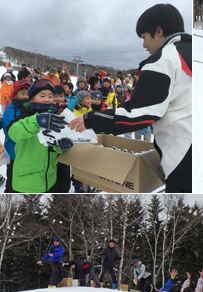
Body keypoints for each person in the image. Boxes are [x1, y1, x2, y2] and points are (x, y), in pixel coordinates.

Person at [69, 4, 192, 192]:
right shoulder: (191, 52)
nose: (144, 45)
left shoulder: (163, 60)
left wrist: (90, 119)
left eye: (144, 37)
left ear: (158, 31)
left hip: (181, 150)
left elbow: (139, 113)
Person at [7, 81, 73, 193]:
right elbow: (13, 132)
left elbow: (52, 145)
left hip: (50, 181)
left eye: (50, 96)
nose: (47, 99)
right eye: (42, 96)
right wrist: (37, 121)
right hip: (26, 183)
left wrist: (61, 147)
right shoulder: (25, 116)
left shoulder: (55, 117)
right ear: (31, 99)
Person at [2, 79, 31, 192]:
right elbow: (9, 131)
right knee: (12, 179)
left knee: (26, 178)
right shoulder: (10, 111)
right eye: (22, 93)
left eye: (27, 93)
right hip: (14, 152)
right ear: (16, 94)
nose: (25, 96)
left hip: (28, 153)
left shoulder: (31, 108)